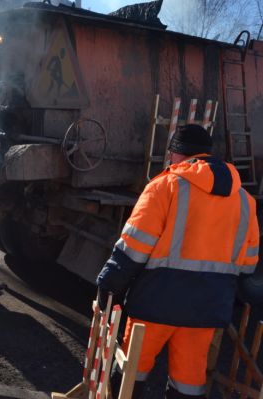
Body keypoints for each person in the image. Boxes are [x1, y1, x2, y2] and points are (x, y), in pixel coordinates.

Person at [96, 124, 259, 399]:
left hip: (155, 304)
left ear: (176, 154)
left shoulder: (164, 186)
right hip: (206, 310)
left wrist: (109, 283)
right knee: (189, 382)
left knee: (132, 371)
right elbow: (248, 265)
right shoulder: (244, 200)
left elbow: (133, 249)